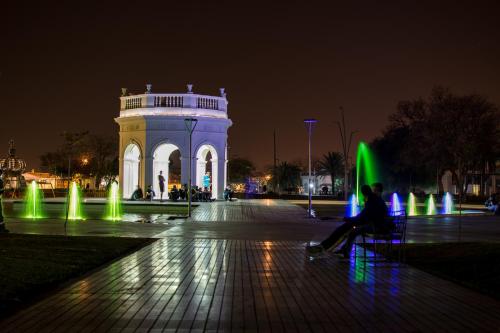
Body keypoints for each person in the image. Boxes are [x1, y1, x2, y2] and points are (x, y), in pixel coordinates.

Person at [307, 184, 390, 258]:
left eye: (374, 190)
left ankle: (325, 247)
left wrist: (345, 219)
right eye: (372, 190)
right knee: (348, 229)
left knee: (348, 229)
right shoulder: (375, 200)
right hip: (375, 224)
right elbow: (365, 216)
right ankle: (341, 250)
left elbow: (363, 217)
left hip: (377, 227)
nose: (373, 192)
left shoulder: (373, 201)